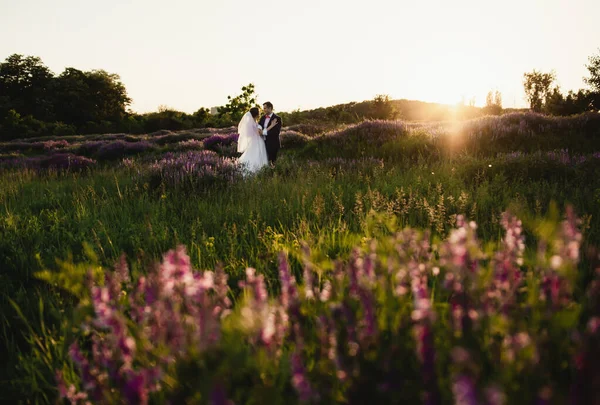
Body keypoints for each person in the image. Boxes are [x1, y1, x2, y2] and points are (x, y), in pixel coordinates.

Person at [237, 107, 278, 174]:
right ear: (257, 114)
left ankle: (252, 171)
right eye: (259, 113)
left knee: (252, 156)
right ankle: (258, 172)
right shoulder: (254, 124)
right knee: (258, 156)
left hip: (254, 142)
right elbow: (261, 133)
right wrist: (271, 126)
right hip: (258, 142)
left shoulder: (251, 123)